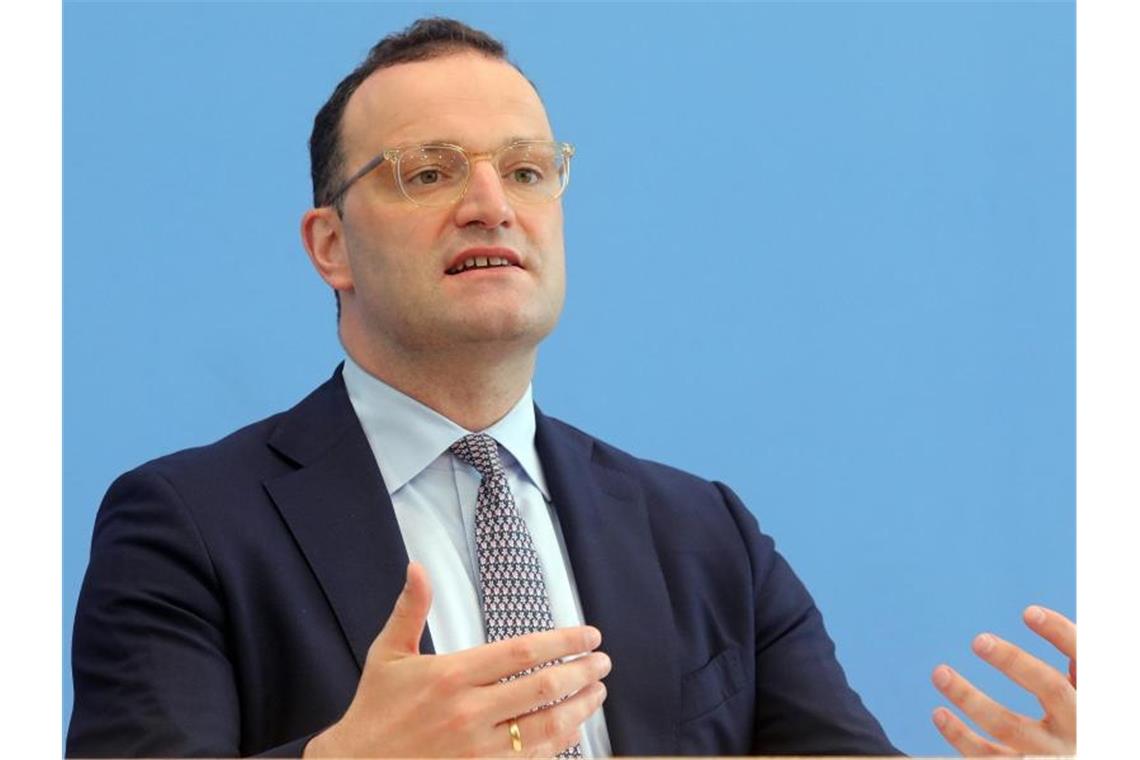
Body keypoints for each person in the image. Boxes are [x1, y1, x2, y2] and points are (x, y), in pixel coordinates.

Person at [67, 17, 1076, 758]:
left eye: (529, 169)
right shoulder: (187, 523)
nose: (490, 205)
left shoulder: (704, 534)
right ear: (330, 244)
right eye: (428, 171)